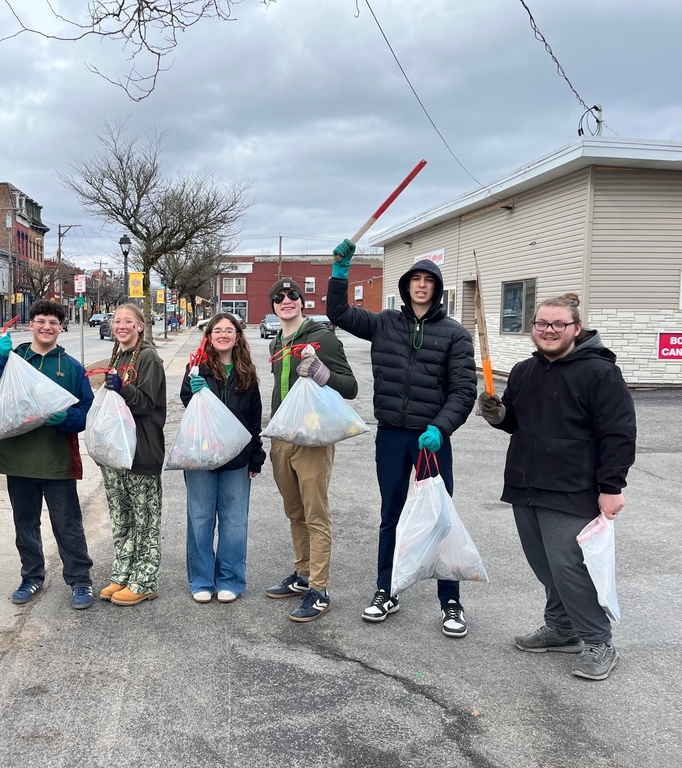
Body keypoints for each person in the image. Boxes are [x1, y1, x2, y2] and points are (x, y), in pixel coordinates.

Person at [478, 293, 636, 680]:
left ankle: (599, 641)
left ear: (576, 329)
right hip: (525, 482)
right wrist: (499, 416)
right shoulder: (522, 371)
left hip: (572, 487)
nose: (548, 331)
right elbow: (516, 421)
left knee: (570, 568)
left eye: (558, 324)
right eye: (541, 324)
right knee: (545, 565)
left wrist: (611, 486)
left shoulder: (600, 373)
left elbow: (619, 434)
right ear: (533, 328)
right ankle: (562, 629)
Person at [327, 242, 476, 637]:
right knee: (391, 515)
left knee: (438, 518)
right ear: (407, 286)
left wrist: (441, 428)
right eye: (416, 280)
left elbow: (464, 391)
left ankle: (451, 602)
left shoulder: (455, 334)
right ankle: (386, 589)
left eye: (429, 280)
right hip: (392, 435)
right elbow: (338, 313)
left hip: (431, 439)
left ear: (437, 288)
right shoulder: (385, 324)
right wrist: (340, 273)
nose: (422, 286)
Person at [0, 299, 96, 610]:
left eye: (53, 322)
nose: (47, 327)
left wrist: (66, 420)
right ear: (30, 324)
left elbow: (87, 412)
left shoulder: (71, 368)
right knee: (25, 523)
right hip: (18, 459)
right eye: (41, 320)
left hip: (57, 461)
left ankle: (80, 580)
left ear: (61, 328)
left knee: (67, 523)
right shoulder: (14, 359)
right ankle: (31, 576)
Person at [264, 278, 358, 623]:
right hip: (281, 436)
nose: (286, 300)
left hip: (313, 438)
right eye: (279, 297)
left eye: (292, 296)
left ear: (302, 302)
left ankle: (319, 589)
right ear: (273, 305)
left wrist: (322, 372)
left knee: (316, 513)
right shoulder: (277, 340)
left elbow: (350, 387)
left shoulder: (322, 338)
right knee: (295, 512)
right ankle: (302, 575)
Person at [179, 312, 265, 604]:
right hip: (201, 457)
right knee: (200, 519)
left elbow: (254, 421)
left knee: (234, 521)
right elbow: (188, 405)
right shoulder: (196, 368)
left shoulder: (247, 373)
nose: (223, 335)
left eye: (230, 330)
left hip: (237, 459)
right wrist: (194, 391)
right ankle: (202, 580)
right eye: (218, 330)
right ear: (209, 336)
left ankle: (230, 579)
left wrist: (256, 457)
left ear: (238, 337)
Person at [99, 303, 167, 606]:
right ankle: (123, 572)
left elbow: (146, 403)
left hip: (142, 451)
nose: (121, 326)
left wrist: (122, 388)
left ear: (140, 326)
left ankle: (145, 580)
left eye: (128, 321)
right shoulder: (119, 355)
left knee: (145, 520)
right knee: (122, 517)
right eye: (117, 321)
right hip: (118, 453)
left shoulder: (149, 357)